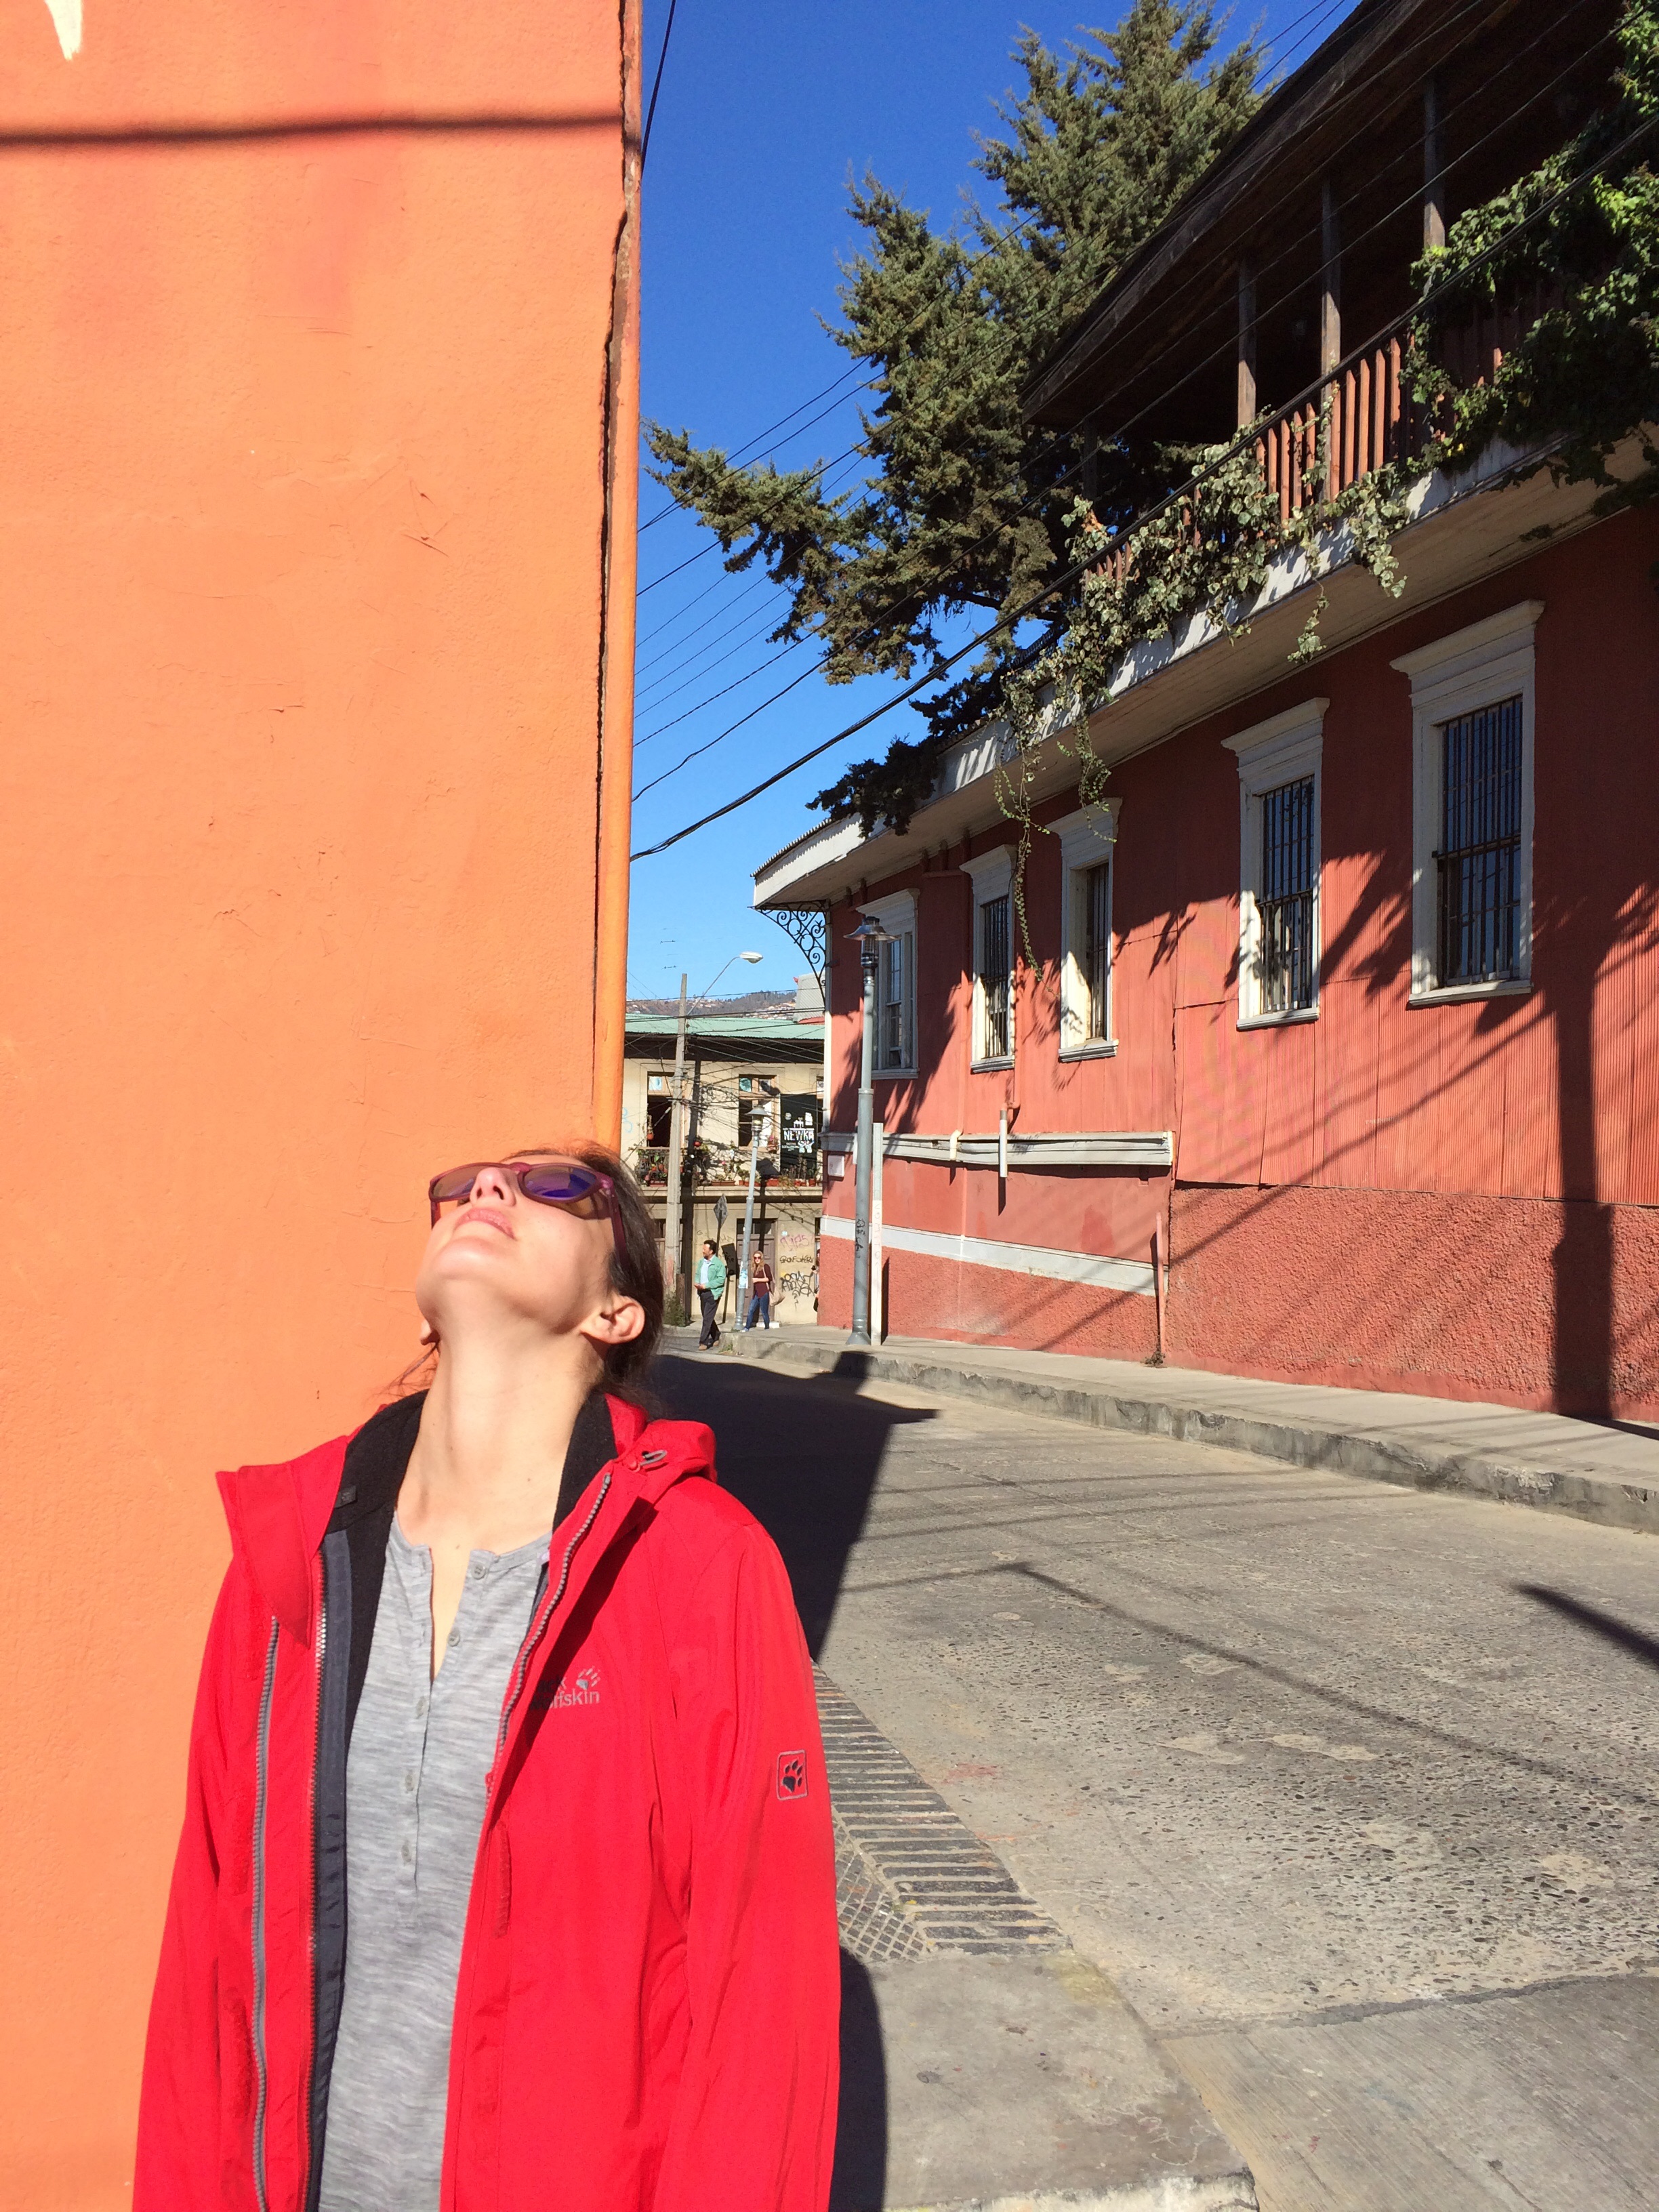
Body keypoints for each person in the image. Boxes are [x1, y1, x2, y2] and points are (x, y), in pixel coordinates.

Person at [136, 1143, 840, 2212]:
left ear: (615, 1312)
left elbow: (762, 1998)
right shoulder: (290, 1559)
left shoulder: (700, 1565)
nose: (488, 1190)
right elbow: (206, 1957)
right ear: (427, 1316)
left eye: (559, 1189)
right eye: (461, 1189)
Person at [695, 1235, 726, 1348]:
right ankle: (716, 1335)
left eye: (705, 1249)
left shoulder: (718, 1264)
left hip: (713, 1293)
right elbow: (698, 1274)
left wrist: (706, 1285)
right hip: (702, 1293)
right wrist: (697, 1282)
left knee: (707, 1319)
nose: (703, 1251)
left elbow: (721, 1280)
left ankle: (703, 1342)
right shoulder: (701, 1262)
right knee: (707, 1317)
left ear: (711, 1251)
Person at [745, 1245, 775, 1332]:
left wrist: (757, 1280)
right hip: (756, 1293)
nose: (757, 1259)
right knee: (751, 1310)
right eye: (755, 1258)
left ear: (761, 1258)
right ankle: (747, 1327)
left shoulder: (765, 1267)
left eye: (759, 1258)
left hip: (764, 1292)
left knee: (764, 1312)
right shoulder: (755, 1268)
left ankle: (767, 1328)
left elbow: (769, 1278)